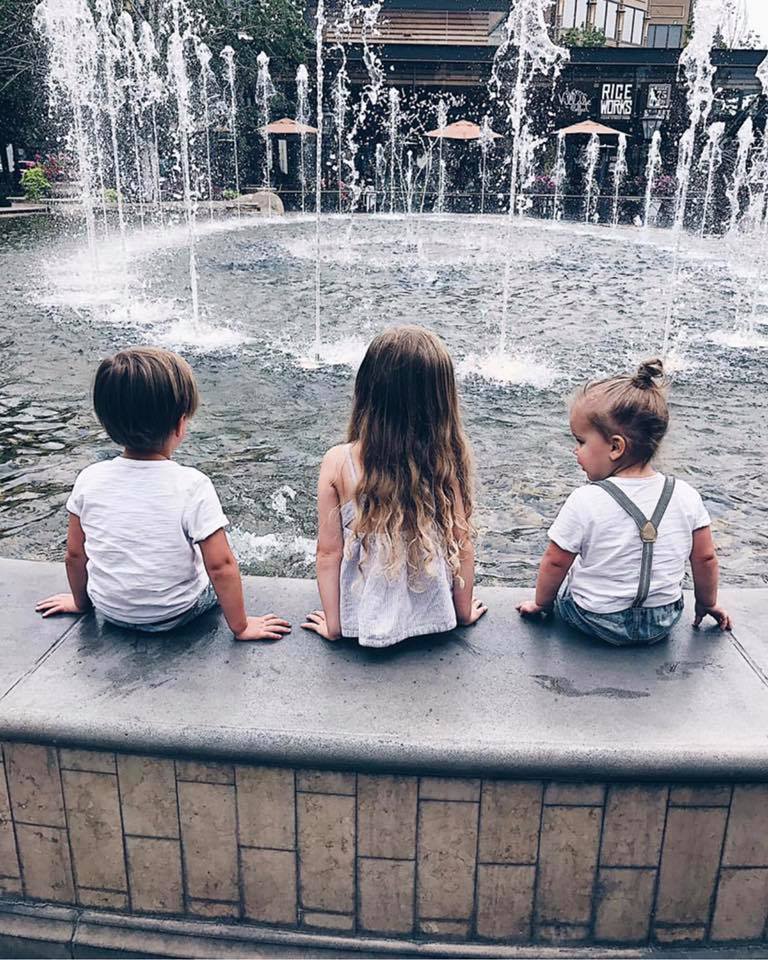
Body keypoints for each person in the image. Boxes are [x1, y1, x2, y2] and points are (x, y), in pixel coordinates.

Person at [36, 347, 291, 641]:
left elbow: (75, 554)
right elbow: (221, 566)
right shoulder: (192, 485)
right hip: (175, 613)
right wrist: (242, 626)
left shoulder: (89, 479)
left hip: (111, 610)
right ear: (181, 424)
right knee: (215, 558)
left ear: (106, 422)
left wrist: (81, 603)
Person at [517, 358, 731, 646]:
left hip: (594, 620)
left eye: (581, 442)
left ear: (616, 447)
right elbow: (705, 558)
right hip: (662, 620)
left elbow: (555, 561)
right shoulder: (685, 494)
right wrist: (707, 603)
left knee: (572, 579)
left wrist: (541, 604)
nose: (575, 451)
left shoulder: (586, 499)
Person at [302, 326, 487, 647]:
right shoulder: (445, 462)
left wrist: (334, 624)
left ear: (367, 389)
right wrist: (463, 612)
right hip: (433, 616)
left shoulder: (338, 461)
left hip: (363, 616)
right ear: (441, 401)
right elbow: (463, 544)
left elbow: (328, 553)